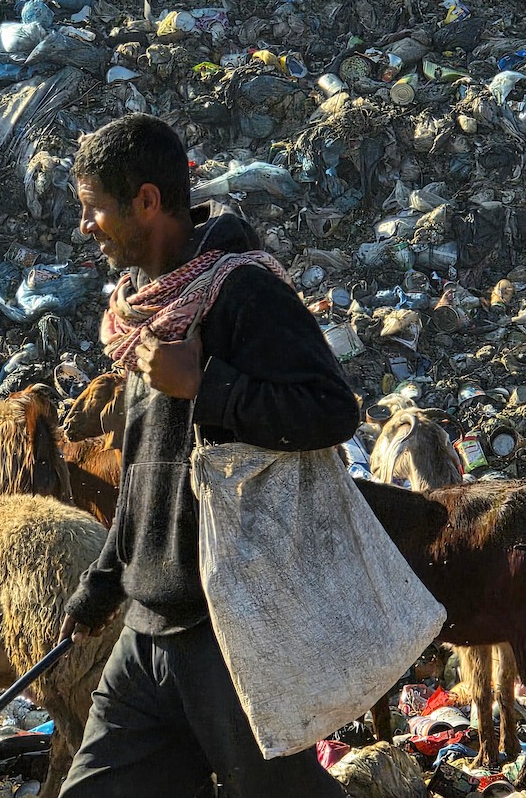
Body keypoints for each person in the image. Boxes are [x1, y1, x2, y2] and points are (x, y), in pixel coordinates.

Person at [58, 113, 360, 797]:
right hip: (147, 634)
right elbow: (144, 474)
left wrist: (206, 386)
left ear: (146, 202)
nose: (85, 227)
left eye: (93, 209)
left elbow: (331, 410)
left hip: (229, 634)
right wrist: (103, 586)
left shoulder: (242, 290)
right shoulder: (142, 313)